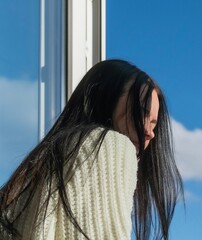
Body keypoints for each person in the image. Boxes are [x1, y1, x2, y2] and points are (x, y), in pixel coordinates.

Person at [0, 59, 183, 239]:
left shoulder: (44, 164)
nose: (150, 134)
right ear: (106, 99)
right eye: (142, 112)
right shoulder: (107, 146)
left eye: (153, 123)